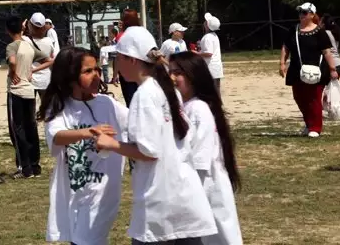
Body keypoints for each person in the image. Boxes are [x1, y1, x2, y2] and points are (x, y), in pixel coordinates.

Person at [94, 25, 217, 244]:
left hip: (159, 199)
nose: (117, 64)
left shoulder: (144, 95)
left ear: (132, 60)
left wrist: (110, 144)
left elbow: (149, 152)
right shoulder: (167, 89)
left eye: (119, 58)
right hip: (184, 196)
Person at [40, 47, 127, 245]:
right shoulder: (60, 107)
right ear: (70, 77)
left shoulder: (107, 104)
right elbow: (57, 137)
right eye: (88, 71)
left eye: (97, 69)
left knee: (87, 240)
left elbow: (136, 122)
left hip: (102, 192)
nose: (96, 75)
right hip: (76, 192)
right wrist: (88, 132)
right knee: (80, 239)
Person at [170, 52, 243, 245]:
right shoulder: (185, 107)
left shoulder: (198, 109)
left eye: (178, 73)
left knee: (218, 236)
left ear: (193, 76)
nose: (172, 78)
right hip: (200, 186)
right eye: (170, 72)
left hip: (206, 186)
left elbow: (199, 159)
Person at [279, 2, 339, 138]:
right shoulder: (293, 30)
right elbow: (286, 47)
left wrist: (332, 69)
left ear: (312, 15)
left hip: (316, 70)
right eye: (300, 12)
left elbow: (327, 52)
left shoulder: (319, 32)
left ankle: (315, 128)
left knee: (314, 99)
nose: (301, 15)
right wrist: (282, 63)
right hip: (297, 69)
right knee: (299, 97)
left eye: (304, 12)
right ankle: (308, 123)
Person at [4, 16, 41, 179]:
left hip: (16, 91)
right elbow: (49, 59)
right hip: (29, 90)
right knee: (31, 127)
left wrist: (13, 73)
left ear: (7, 30)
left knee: (17, 129)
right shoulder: (29, 45)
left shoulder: (12, 46)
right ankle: (35, 165)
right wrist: (31, 71)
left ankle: (24, 168)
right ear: (22, 28)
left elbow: (12, 62)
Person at [27, 13, 57, 110]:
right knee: (47, 109)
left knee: (29, 110)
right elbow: (52, 57)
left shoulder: (25, 41)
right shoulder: (48, 41)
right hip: (45, 79)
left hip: (29, 80)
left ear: (30, 25)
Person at [116, 9, 142, 106]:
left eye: (122, 19)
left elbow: (119, 58)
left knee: (131, 101)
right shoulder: (141, 32)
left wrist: (115, 75)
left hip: (127, 71)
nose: (120, 21)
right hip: (139, 70)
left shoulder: (122, 36)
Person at [197, 14, 224, 90]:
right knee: (216, 90)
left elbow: (209, 53)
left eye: (206, 21)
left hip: (210, 68)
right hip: (216, 67)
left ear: (207, 25)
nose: (204, 22)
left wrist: (196, 53)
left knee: (210, 91)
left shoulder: (207, 37)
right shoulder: (214, 35)